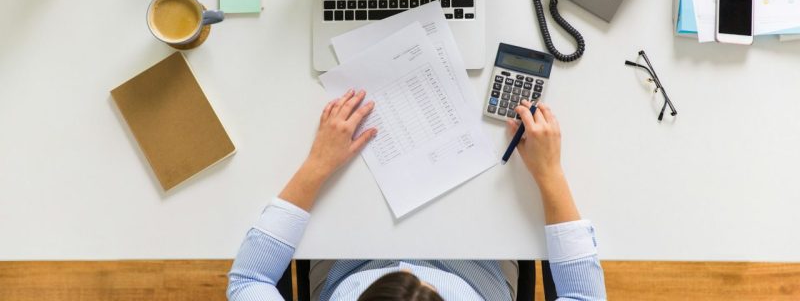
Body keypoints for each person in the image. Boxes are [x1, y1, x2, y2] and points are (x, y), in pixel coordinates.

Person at [227, 89, 607, 301]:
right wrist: (549, 172)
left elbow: (248, 280)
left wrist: (317, 164)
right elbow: (584, 297)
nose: (407, 265)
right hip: (479, 264)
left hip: (351, 257)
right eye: (428, 286)